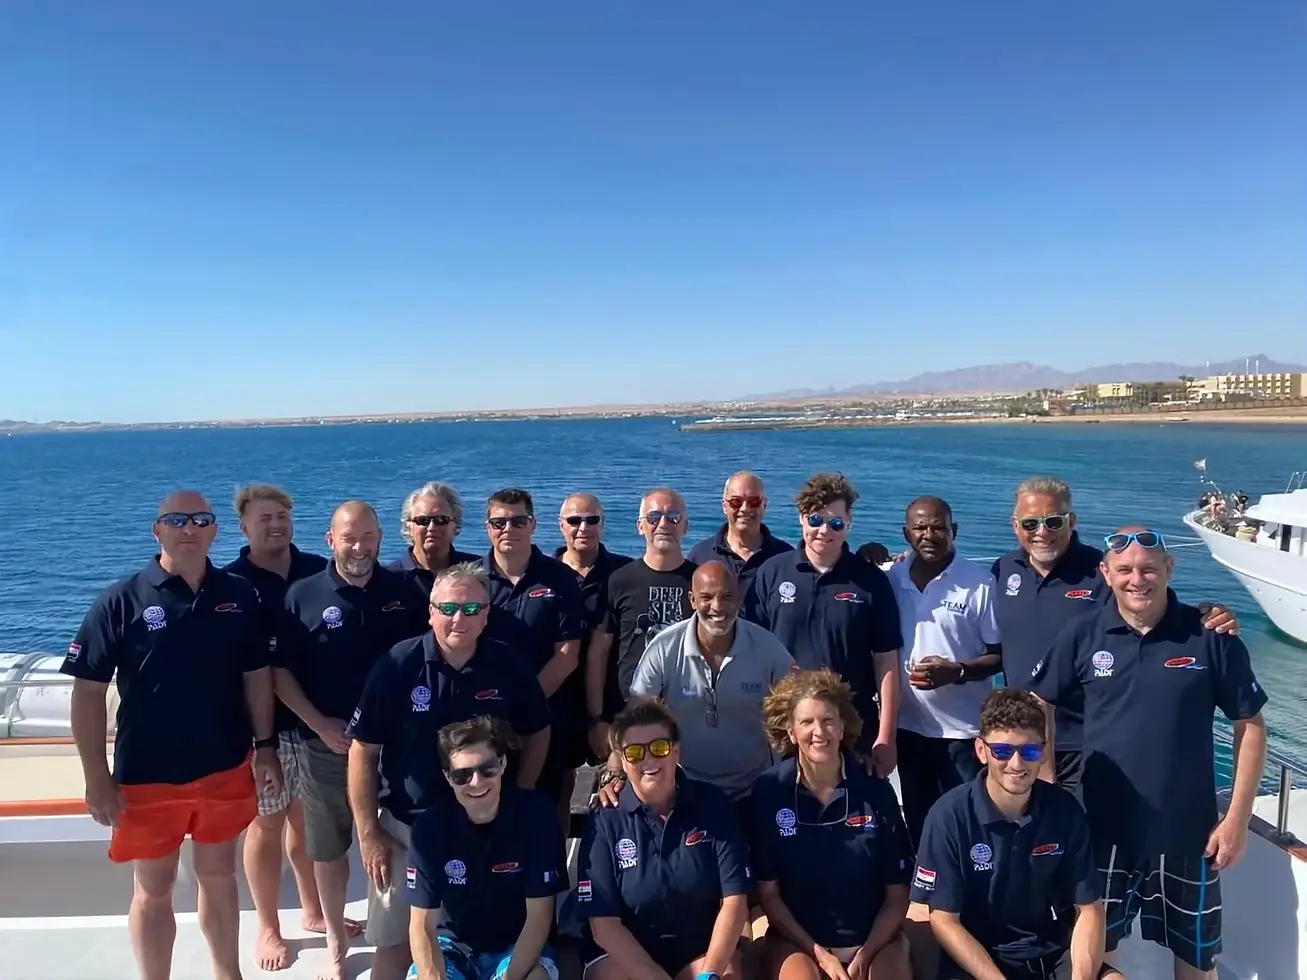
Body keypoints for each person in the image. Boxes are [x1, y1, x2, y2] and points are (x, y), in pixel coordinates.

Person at [1029, 527, 1268, 979]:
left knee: (1196, 961)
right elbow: (1039, 703)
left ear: (1169, 569)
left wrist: (1236, 819)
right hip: (1101, 832)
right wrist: (1047, 789)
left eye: (1148, 569)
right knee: (1095, 956)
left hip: (1189, 835)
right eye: (1124, 570)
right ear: (1106, 574)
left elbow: (1250, 725)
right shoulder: (1083, 633)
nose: (1136, 580)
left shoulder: (1210, 635)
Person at [61, 489, 280, 980]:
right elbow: (88, 692)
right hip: (148, 774)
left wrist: (265, 748)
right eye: (177, 520)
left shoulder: (239, 596)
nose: (189, 528)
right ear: (156, 530)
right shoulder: (122, 599)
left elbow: (256, 676)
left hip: (225, 765)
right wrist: (96, 776)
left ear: (215, 530)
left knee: (219, 875)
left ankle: (227, 973)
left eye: (200, 519)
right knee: (154, 887)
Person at [346, 562, 552, 980]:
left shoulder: (507, 663)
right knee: (394, 946)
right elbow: (363, 750)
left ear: (487, 615)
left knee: (495, 939)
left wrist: (521, 794)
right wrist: (368, 833)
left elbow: (538, 730)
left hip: (492, 827)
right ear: (431, 612)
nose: (460, 618)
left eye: (472, 609)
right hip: (408, 829)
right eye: (449, 608)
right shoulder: (397, 664)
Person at [993, 476, 1238, 791]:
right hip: (1024, 745)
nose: (1042, 532)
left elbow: (1150, 607)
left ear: (1071, 521)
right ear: (1015, 526)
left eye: (1053, 522)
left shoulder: (1103, 570)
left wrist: (1209, 613)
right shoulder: (1003, 570)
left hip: (1092, 743)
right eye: (1031, 524)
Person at [274, 500, 428, 980]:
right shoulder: (302, 595)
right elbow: (280, 674)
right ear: (330, 540)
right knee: (329, 849)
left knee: (397, 842)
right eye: (348, 538)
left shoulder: (406, 592)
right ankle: (336, 948)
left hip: (400, 749)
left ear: (380, 539)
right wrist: (319, 723)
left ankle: (411, 937)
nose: (358, 548)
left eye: (367, 537)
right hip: (329, 746)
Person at [224, 483, 349, 970]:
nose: (275, 526)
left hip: (315, 723)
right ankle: (268, 927)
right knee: (267, 822)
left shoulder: (319, 570)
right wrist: (260, 742)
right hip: (263, 727)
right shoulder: (230, 583)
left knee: (306, 820)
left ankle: (313, 911)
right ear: (244, 528)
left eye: (282, 517)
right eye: (265, 519)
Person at [910, 689, 1113, 980]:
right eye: (1003, 751)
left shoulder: (1064, 810)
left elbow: (1089, 909)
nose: (1017, 764)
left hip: (1048, 951)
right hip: (976, 959)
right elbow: (944, 920)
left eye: (1029, 751)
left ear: (1043, 752)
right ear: (981, 751)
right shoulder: (949, 816)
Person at [750, 668, 913, 980]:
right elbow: (769, 894)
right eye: (806, 722)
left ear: (842, 727)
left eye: (827, 720)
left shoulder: (874, 787)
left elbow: (898, 893)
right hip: (799, 942)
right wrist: (819, 955)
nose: (818, 731)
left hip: (874, 940)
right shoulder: (769, 791)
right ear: (790, 731)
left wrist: (867, 953)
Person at [578, 697, 750, 980]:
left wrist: (709, 975)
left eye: (659, 748)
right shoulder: (604, 819)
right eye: (635, 752)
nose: (648, 760)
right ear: (623, 761)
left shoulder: (713, 805)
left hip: (700, 953)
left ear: (676, 751)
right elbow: (603, 924)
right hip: (626, 959)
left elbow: (734, 900)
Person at [746, 472, 902, 776]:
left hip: (852, 727)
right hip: (785, 727)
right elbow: (753, 652)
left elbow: (887, 664)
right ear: (801, 519)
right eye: (815, 521)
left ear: (849, 522)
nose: (824, 531)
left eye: (835, 523)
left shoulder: (871, 581)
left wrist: (886, 737)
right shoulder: (771, 573)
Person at [616, 560, 794, 821]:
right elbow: (637, 716)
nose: (717, 607)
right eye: (707, 597)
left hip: (753, 789)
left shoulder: (767, 646)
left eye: (727, 597)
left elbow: (799, 704)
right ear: (692, 600)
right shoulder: (664, 647)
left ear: (739, 598)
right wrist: (616, 771)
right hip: (683, 790)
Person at [406, 716, 569, 980]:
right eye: (462, 775)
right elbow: (421, 927)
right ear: (448, 777)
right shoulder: (428, 829)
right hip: (451, 946)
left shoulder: (538, 817)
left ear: (502, 764)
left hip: (516, 945)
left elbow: (539, 919)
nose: (476, 782)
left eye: (487, 769)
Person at [889, 496, 1002, 849]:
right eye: (920, 527)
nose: (929, 535)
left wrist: (958, 671)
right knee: (919, 824)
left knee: (967, 825)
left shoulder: (980, 583)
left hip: (963, 733)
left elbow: (1000, 656)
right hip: (908, 728)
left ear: (954, 530)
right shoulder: (891, 577)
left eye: (939, 527)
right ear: (906, 533)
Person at [481, 488, 588, 822]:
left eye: (518, 521)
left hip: (545, 716)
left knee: (546, 811)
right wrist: (499, 710)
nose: (508, 529)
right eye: (499, 522)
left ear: (532, 524)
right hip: (484, 720)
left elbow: (568, 654)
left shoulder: (561, 578)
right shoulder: (473, 580)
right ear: (488, 528)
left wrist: (522, 707)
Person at [585, 487, 697, 759]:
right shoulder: (620, 581)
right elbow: (599, 653)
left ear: (685, 526)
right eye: (654, 517)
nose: (663, 524)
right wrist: (597, 719)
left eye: (673, 517)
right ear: (640, 526)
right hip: (628, 715)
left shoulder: (698, 581)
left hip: (689, 713)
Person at [555, 492, 634, 767]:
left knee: (617, 778)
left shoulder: (625, 572)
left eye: (592, 520)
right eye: (574, 520)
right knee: (561, 778)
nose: (583, 527)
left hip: (612, 701)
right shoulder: (545, 574)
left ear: (602, 523)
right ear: (561, 525)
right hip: (560, 699)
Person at [688, 471, 793, 599]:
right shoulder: (700, 555)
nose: (745, 508)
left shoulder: (786, 558)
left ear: (764, 505)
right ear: (724, 506)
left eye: (754, 502)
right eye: (736, 502)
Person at [388, 481, 480, 598]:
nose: (432, 527)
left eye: (441, 520)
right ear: (409, 526)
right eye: (423, 520)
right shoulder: (388, 579)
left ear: (455, 524)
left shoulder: (478, 572)